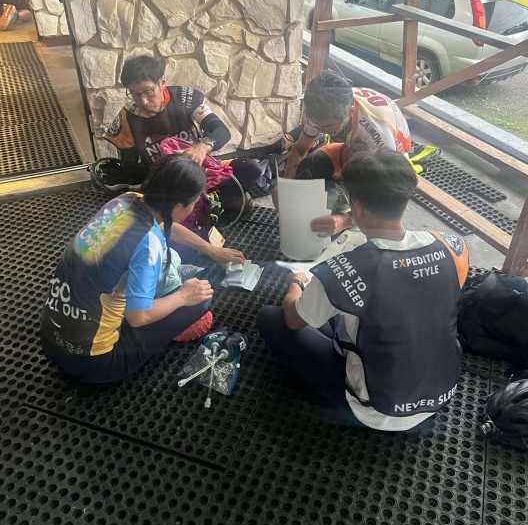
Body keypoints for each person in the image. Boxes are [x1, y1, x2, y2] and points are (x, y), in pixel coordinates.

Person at [257, 149, 469, 431]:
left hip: (375, 411)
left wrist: (295, 283)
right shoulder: (452, 246)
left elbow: (293, 321)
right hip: (439, 395)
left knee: (271, 317)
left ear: (356, 207)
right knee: (350, 313)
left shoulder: (344, 268)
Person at [41, 155, 219, 384]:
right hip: (96, 362)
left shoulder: (124, 201)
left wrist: (211, 250)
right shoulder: (149, 243)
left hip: (51, 341)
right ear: (177, 206)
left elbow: (164, 226)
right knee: (199, 300)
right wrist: (184, 296)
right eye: (194, 201)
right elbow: (138, 317)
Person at [104, 55, 262, 214]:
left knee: (250, 168)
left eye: (149, 92)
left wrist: (203, 147)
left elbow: (221, 131)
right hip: (165, 183)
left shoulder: (186, 99)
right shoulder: (129, 115)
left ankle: (212, 204)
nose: (143, 102)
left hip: (199, 170)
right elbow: (129, 164)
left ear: (162, 83)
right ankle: (205, 207)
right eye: (135, 94)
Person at [281, 70, 412, 238]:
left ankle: (350, 209)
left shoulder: (374, 129)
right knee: (309, 168)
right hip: (351, 145)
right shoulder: (323, 109)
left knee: (373, 213)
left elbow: (390, 188)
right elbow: (300, 150)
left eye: (328, 126)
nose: (322, 130)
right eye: (317, 124)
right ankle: (345, 199)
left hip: (391, 163)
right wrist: (285, 189)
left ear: (350, 112)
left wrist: (347, 220)